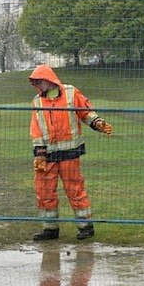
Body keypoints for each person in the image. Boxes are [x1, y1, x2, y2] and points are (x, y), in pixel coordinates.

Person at [29, 64, 112, 240]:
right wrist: (40, 154)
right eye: (35, 82)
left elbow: (85, 112)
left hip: (70, 152)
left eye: (38, 81)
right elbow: (36, 129)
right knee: (44, 190)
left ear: (48, 80)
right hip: (47, 155)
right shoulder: (37, 101)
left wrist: (98, 123)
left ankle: (85, 226)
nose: (37, 85)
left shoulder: (70, 93)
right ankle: (50, 228)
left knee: (75, 188)